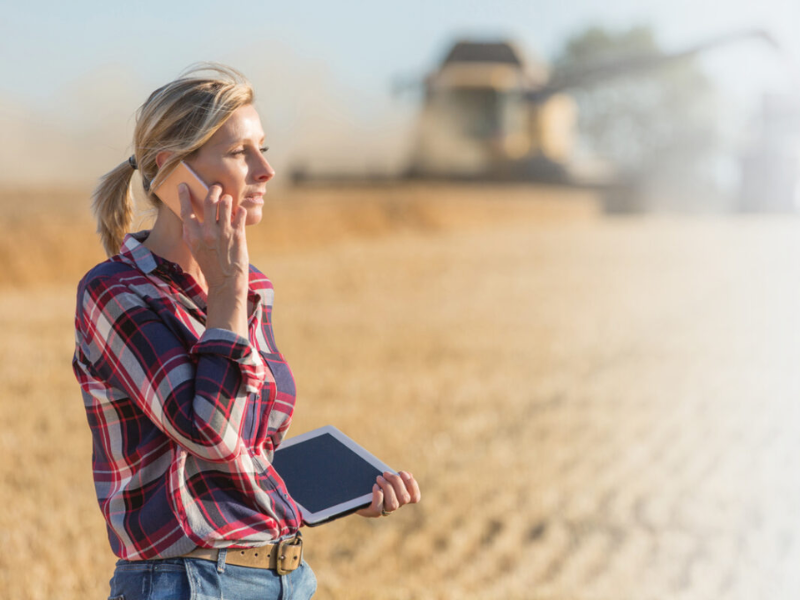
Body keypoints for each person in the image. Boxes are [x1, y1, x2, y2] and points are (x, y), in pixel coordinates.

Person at [72, 63, 421, 600]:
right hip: (188, 582)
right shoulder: (116, 292)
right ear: (171, 170)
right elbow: (210, 434)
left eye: (264, 148)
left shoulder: (253, 286)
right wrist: (228, 291)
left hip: (288, 577)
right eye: (241, 153)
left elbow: (250, 448)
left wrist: (340, 491)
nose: (266, 170)